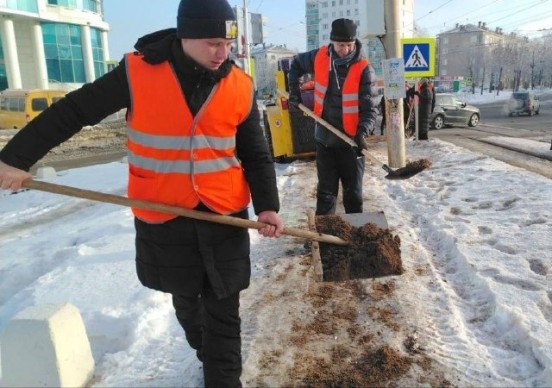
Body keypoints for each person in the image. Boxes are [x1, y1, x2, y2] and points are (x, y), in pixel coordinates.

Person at [0, 0, 284, 386]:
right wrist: (17, 158)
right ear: (186, 36)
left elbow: (256, 153)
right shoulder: (137, 73)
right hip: (164, 214)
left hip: (224, 216)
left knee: (224, 310)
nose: (223, 54)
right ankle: (209, 355)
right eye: (213, 43)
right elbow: (73, 111)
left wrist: (267, 207)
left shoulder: (240, 85)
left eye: (228, 44)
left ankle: (222, 376)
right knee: (187, 303)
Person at [287, 18, 377, 215]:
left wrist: (363, 131)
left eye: (348, 45)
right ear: (332, 42)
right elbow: (295, 65)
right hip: (324, 140)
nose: (344, 50)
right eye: (340, 45)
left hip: (351, 144)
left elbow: (370, 109)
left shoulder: (364, 69)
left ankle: (355, 238)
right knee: (326, 195)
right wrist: (294, 92)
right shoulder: (320, 56)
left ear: (354, 43)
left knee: (353, 196)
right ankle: (325, 238)